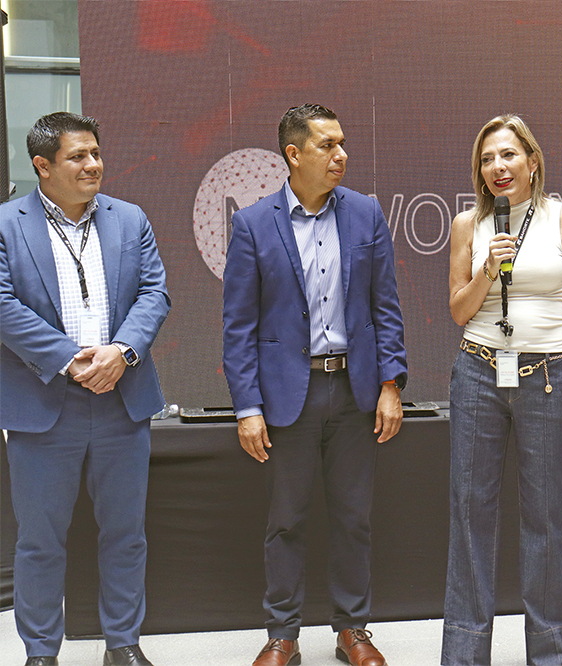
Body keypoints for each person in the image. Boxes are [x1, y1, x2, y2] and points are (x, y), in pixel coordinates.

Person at [222, 104, 407, 666]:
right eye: (328, 145)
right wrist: (246, 406)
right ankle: (282, 634)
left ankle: (353, 630)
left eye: (342, 143)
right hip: (287, 397)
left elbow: (386, 307)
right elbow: (239, 327)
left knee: (354, 518)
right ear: (294, 154)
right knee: (286, 520)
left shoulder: (366, 213)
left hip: (355, 391)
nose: (341, 154)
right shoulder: (253, 224)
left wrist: (392, 383)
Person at [0, 112, 170, 666]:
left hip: (122, 397)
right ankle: (40, 653)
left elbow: (154, 293)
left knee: (126, 533)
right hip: (43, 403)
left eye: (96, 153)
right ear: (42, 166)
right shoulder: (6, 224)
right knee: (40, 540)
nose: (93, 164)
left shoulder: (130, 218)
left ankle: (123, 644)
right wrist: (69, 360)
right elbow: (2, 304)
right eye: (78, 156)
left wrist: (122, 352)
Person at [441, 114, 562, 666]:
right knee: (470, 515)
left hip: (548, 376)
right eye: (487, 159)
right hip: (478, 373)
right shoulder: (468, 224)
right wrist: (487, 269)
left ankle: (548, 655)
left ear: (532, 160)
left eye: (508, 155)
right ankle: (464, 655)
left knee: (545, 519)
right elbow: (459, 311)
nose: (498, 167)